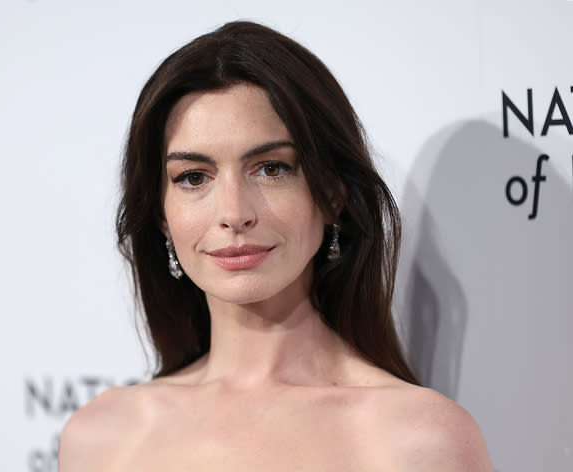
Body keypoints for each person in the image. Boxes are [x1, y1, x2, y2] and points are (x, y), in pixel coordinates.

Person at [58, 20, 493, 471]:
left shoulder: (420, 438)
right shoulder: (102, 436)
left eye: (271, 168)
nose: (234, 212)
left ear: (332, 194)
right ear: (162, 217)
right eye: (193, 177)